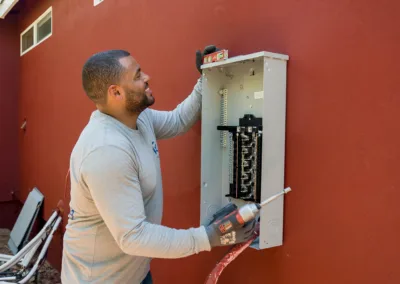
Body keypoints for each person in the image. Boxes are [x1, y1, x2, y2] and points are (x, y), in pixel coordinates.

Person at [61, 46, 257, 284]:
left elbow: (177, 121)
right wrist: (208, 237)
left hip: (134, 272)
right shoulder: (107, 150)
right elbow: (134, 236)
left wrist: (205, 78)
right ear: (116, 93)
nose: (147, 78)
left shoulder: (138, 118)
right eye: (137, 75)